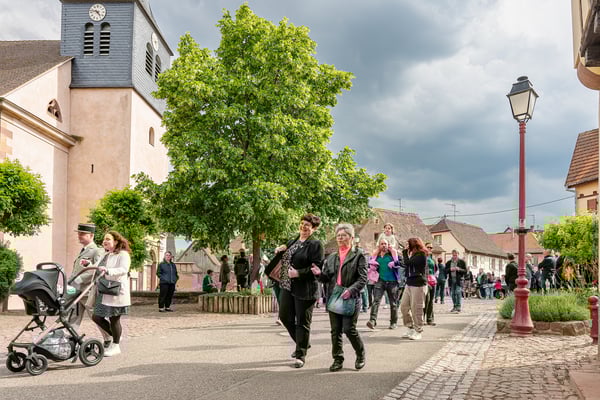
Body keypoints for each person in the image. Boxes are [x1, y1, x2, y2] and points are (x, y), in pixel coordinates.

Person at [311, 223, 367, 372]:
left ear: (351, 237)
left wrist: (351, 290)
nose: (340, 238)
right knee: (335, 331)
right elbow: (327, 278)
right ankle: (337, 359)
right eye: (338, 236)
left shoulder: (359, 255)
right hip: (335, 296)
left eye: (344, 235)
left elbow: (363, 279)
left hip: (351, 296)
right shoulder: (332, 257)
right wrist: (319, 274)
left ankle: (360, 354)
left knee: (349, 329)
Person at [273, 213, 324, 368]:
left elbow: (317, 267)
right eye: (302, 223)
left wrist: (299, 273)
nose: (303, 227)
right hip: (287, 285)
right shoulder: (292, 241)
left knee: (302, 322)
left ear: (314, 228)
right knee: (284, 317)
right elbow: (287, 255)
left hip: (305, 288)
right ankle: (304, 343)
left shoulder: (316, 244)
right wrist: (281, 249)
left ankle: (300, 354)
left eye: (307, 225)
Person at [91, 231, 131, 357]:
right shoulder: (107, 254)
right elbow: (97, 266)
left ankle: (116, 345)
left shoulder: (123, 254)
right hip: (105, 290)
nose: (105, 241)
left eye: (108, 239)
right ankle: (116, 336)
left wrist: (109, 271)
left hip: (116, 291)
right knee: (96, 317)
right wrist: (88, 265)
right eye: (104, 239)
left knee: (114, 319)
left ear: (116, 241)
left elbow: (124, 269)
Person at [69, 223, 109, 346]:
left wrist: (80, 279)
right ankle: (70, 340)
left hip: (87, 290)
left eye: (82, 234)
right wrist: (70, 281)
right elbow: (77, 269)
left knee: (95, 316)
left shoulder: (97, 250)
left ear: (91, 235)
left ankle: (109, 337)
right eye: (79, 233)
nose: (79, 236)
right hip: (76, 290)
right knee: (73, 316)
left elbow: (96, 269)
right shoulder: (83, 250)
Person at [366, 239, 402, 330]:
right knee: (376, 301)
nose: (384, 245)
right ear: (379, 245)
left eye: (385, 244)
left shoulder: (393, 254)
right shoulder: (376, 256)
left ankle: (393, 322)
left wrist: (394, 262)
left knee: (393, 303)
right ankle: (372, 321)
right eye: (382, 244)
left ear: (388, 245)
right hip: (380, 281)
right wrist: (372, 266)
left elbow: (402, 263)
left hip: (392, 282)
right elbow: (369, 265)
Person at [400, 238, 428, 340]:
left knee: (416, 308)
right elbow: (406, 264)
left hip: (418, 284)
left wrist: (404, 252)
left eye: (408, 244)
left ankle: (418, 330)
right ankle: (410, 327)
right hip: (409, 283)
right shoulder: (412, 255)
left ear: (413, 245)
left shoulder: (421, 255)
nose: (407, 246)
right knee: (404, 306)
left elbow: (408, 263)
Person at [423, 242, 436, 326]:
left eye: (431, 247)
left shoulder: (432, 258)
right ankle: (422, 318)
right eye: (428, 247)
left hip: (432, 280)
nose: (430, 249)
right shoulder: (422, 257)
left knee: (431, 300)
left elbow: (435, 269)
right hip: (425, 280)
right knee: (426, 300)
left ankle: (430, 319)